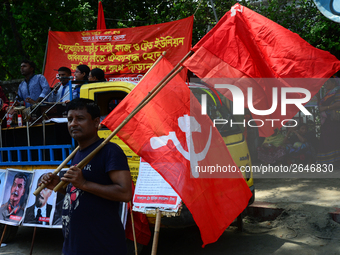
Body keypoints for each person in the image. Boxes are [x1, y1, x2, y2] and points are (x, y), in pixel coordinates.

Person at [41, 98, 132, 255]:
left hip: (101, 245)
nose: (73, 124)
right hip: (74, 245)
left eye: (80, 118)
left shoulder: (109, 151)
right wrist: (59, 185)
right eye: (70, 119)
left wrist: (83, 183)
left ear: (96, 122)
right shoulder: (77, 153)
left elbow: (125, 193)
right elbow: (80, 193)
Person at [317, 78, 340, 164]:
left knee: (333, 140)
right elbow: (320, 107)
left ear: (334, 83)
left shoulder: (337, 92)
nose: (325, 84)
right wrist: (318, 98)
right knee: (326, 140)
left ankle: (335, 162)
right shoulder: (327, 94)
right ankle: (327, 162)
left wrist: (327, 108)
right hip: (326, 122)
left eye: (328, 82)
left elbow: (338, 103)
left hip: (334, 121)